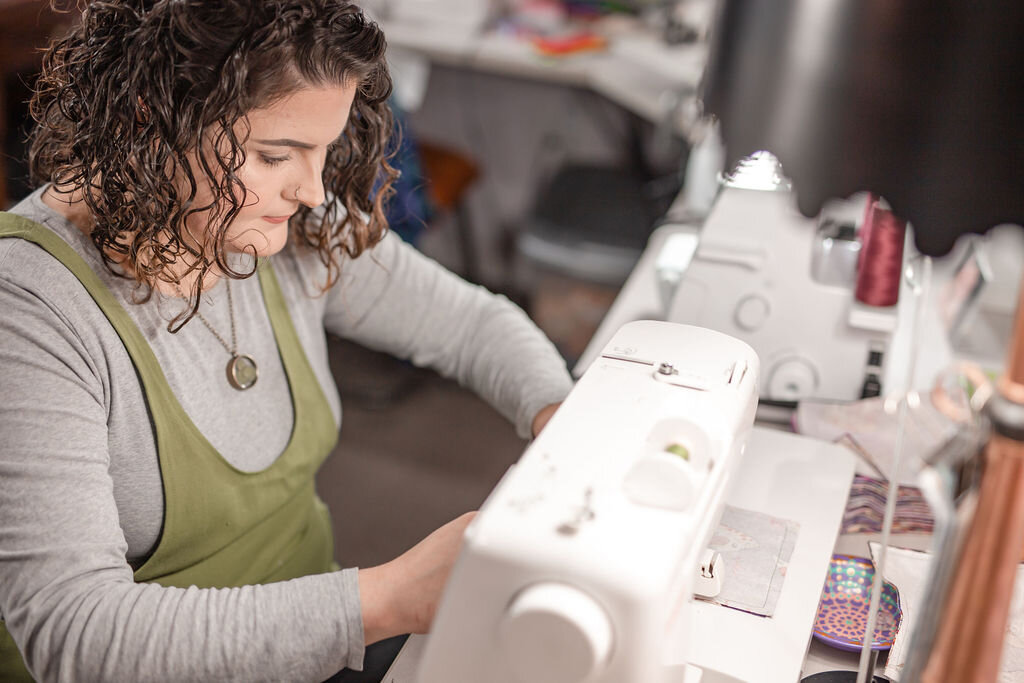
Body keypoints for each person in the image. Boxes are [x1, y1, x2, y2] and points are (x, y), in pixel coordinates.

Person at [0, 1, 572, 681]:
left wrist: (563, 420)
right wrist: (388, 597)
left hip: (314, 649)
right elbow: (79, 635)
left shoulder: (283, 226)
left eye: (324, 151)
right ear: (150, 119)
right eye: (276, 155)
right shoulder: (30, 308)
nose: (309, 191)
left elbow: (473, 324)